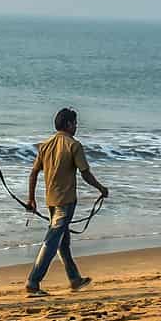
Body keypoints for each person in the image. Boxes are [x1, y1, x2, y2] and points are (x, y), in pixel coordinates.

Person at [25, 108, 109, 297]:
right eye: (75, 123)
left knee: (63, 242)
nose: (76, 126)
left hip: (51, 201)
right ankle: (33, 281)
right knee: (52, 241)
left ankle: (74, 279)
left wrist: (31, 199)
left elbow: (33, 173)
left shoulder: (45, 145)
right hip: (66, 202)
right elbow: (85, 173)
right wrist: (101, 188)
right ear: (68, 125)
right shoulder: (74, 145)